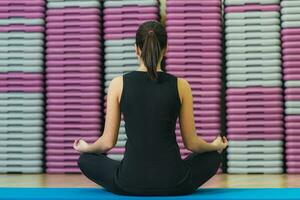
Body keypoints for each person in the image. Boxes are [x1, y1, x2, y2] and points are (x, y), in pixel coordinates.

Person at [73, 21, 228, 196]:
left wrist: (87, 147)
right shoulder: (181, 85)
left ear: (136, 49)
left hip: (128, 182)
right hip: (175, 181)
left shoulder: (118, 84)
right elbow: (191, 144)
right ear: (166, 49)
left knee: (85, 160)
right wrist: (214, 145)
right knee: (213, 157)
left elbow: (107, 142)